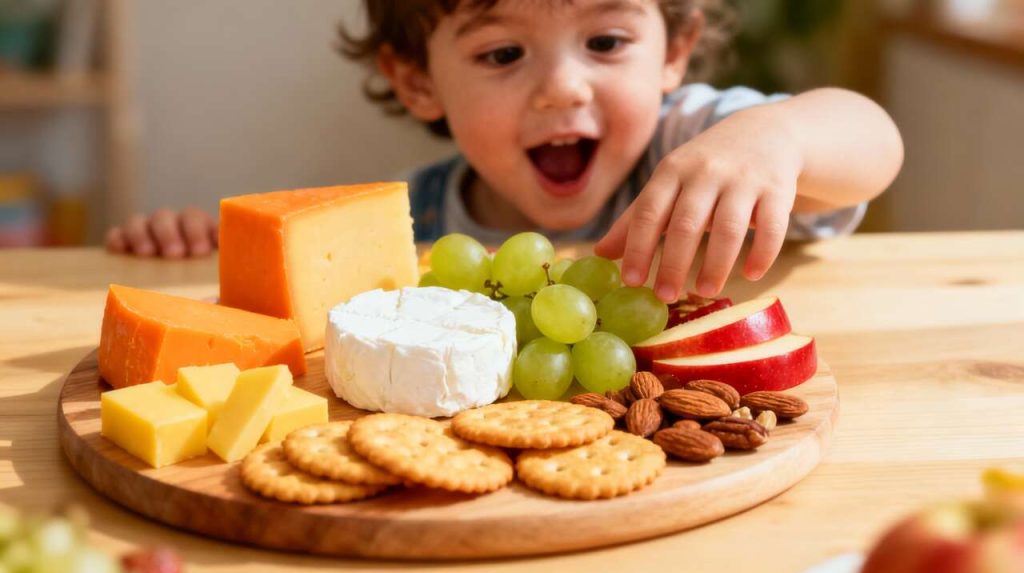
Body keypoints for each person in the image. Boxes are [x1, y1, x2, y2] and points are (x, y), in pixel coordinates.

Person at [106, 0, 903, 303]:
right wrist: (196, 244)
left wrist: (777, 136)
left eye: (605, 41)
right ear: (417, 80)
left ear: (673, 51)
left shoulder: (702, 146)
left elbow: (873, 142)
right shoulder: (407, 222)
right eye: (502, 56)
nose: (563, 90)